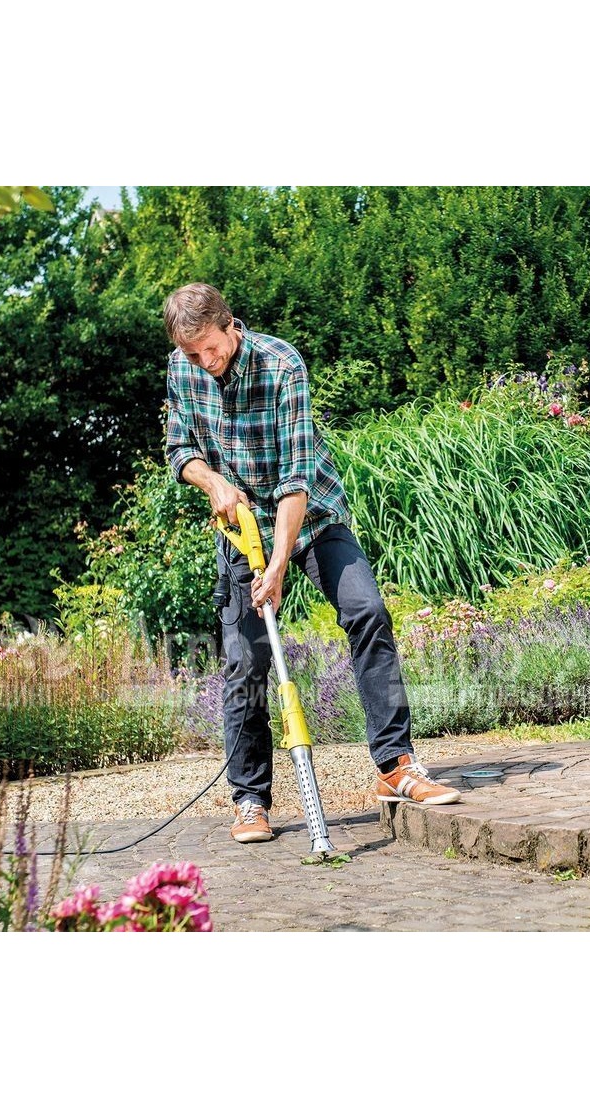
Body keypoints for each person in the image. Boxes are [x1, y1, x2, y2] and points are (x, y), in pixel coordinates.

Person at [163, 282, 460, 842]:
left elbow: (295, 479)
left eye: (211, 348)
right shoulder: (183, 368)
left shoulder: (282, 365)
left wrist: (277, 565)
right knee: (245, 660)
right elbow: (181, 451)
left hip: (312, 516)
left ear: (230, 324)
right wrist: (213, 482)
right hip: (244, 528)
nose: (206, 361)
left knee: (366, 611)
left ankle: (395, 765)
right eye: (194, 354)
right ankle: (250, 800)